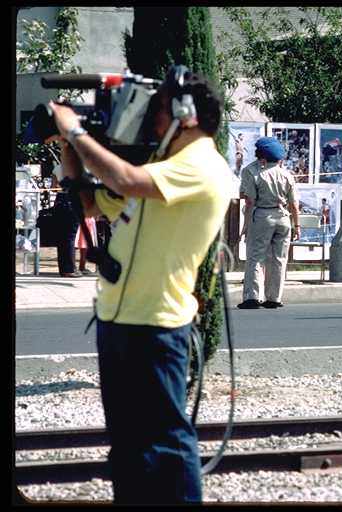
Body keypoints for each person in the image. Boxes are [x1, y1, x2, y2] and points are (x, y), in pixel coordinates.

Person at [48, 66, 230, 504]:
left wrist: (76, 132)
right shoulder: (164, 168)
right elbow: (91, 204)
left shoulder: (202, 166)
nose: (153, 121)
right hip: (119, 320)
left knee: (167, 442)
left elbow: (126, 181)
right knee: (128, 445)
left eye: (159, 111)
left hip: (156, 326)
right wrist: (68, 151)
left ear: (186, 113)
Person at [237, 137, 301, 309]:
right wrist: (297, 225)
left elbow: (249, 200)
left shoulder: (254, 172)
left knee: (255, 257)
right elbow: (294, 204)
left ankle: (252, 297)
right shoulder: (287, 175)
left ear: (262, 156)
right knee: (279, 259)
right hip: (284, 217)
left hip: (262, 216)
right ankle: (274, 298)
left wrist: (246, 225)